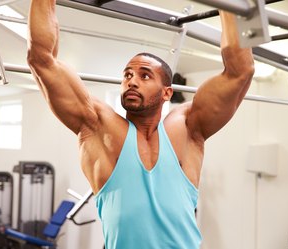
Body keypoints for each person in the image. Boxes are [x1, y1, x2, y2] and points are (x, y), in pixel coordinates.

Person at [27, 0, 255, 248]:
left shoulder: (187, 128)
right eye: (127, 75)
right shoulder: (98, 127)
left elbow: (240, 71)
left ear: (167, 93)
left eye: (144, 75)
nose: (132, 81)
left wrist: (228, 5)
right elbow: (42, 59)